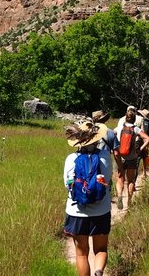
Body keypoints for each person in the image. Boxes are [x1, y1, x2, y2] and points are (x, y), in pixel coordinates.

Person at [63, 116, 118, 276]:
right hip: (100, 210)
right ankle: (99, 271)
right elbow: (107, 180)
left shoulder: (71, 158)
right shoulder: (104, 156)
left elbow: (67, 185)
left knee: (81, 253)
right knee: (100, 249)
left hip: (76, 212)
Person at [113, 106, 149, 210]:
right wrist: (140, 149)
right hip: (132, 157)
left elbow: (111, 134)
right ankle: (129, 202)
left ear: (125, 117)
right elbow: (147, 139)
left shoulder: (119, 128)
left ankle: (120, 195)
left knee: (120, 179)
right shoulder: (135, 128)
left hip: (120, 157)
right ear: (134, 119)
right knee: (131, 180)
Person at [137, 108, 149, 177]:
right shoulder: (148, 122)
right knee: (144, 157)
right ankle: (144, 172)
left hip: (137, 140)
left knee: (136, 157)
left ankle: (135, 172)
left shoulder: (136, 120)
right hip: (145, 141)